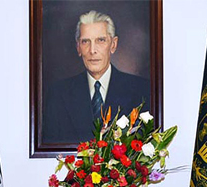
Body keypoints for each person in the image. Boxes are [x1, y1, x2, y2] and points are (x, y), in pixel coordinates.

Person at [43, 10, 151, 144]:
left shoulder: (143, 91)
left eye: (100, 40)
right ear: (78, 47)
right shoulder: (58, 94)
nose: (92, 50)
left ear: (113, 44)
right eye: (85, 42)